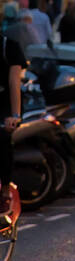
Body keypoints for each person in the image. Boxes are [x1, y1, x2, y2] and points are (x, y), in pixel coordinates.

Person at [0, 29, 24, 225]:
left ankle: (5, 189)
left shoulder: (9, 46)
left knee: (3, 141)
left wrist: (14, 115)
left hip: (2, 107)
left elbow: (13, 82)